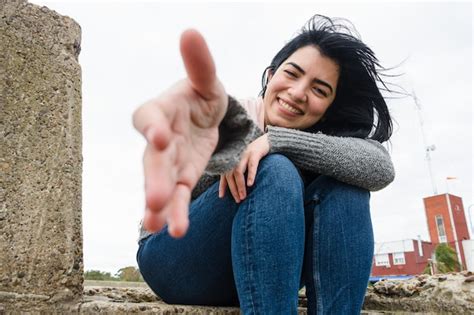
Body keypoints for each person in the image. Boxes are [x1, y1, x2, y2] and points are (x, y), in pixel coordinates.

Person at [133, 14, 395, 314]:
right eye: (292, 74)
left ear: (328, 107)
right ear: (270, 76)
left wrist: (277, 141)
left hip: (259, 274)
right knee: (275, 170)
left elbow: (381, 168)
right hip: (175, 259)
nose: (298, 93)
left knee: (346, 189)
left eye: (319, 90)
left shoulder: (322, 141)